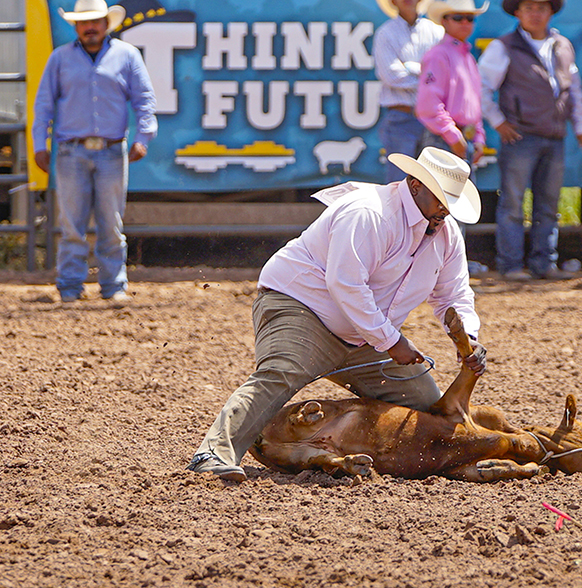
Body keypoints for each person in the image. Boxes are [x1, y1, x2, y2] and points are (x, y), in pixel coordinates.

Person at [186, 147, 487, 482]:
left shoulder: (446, 235)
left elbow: (453, 294)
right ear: (415, 185)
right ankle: (212, 454)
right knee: (281, 372)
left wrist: (468, 337)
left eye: (451, 201)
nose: (445, 208)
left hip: (368, 335)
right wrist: (390, 341)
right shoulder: (370, 213)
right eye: (441, 198)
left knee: (425, 405)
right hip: (302, 308)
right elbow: (346, 284)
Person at [32, 0, 156, 305]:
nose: (90, 28)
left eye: (95, 21)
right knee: (72, 225)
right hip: (71, 150)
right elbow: (44, 104)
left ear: (105, 24)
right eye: (84, 22)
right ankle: (71, 287)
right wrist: (39, 144)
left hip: (111, 150)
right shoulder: (60, 58)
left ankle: (112, 286)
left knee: (110, 223)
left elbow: (144, 99)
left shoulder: (127, 56)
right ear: (76, 26)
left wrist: (144, 136)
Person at [477, 0, 582, 281]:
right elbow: (481, 87)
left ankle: (544, 263)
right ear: (517, 12)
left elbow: (574, 90)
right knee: (513, 204)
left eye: (541, 7)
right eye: (528, 7)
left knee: (548, 204)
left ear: (550, 12)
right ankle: (511, 265)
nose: (535, 14)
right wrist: (498, 122)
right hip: (521, 136)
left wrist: (581, 127)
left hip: (554, 136)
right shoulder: (503, 46)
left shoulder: (562, 46)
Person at [416, 0, 490, 276]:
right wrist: (452, 134)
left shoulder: (466, 56)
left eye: (469, 18)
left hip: (458, 137)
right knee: (438, 206)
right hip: (445, 138)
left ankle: (449, 267)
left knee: (454, 206)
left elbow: (473, 103)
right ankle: (436, 268)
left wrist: (477, 135)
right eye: (458, 17)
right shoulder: (439, 55)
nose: (465, 23)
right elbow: (428, 104)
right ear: (445, 20)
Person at [373, 0, 444, 183]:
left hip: (434, 119)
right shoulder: (385, 33)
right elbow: (391, 76)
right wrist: (428, 77)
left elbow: (443, 72)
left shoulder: (436, 31)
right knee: (400, 183)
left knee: (433, 183)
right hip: (401, 118)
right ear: (393, 1)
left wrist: (410, 68)